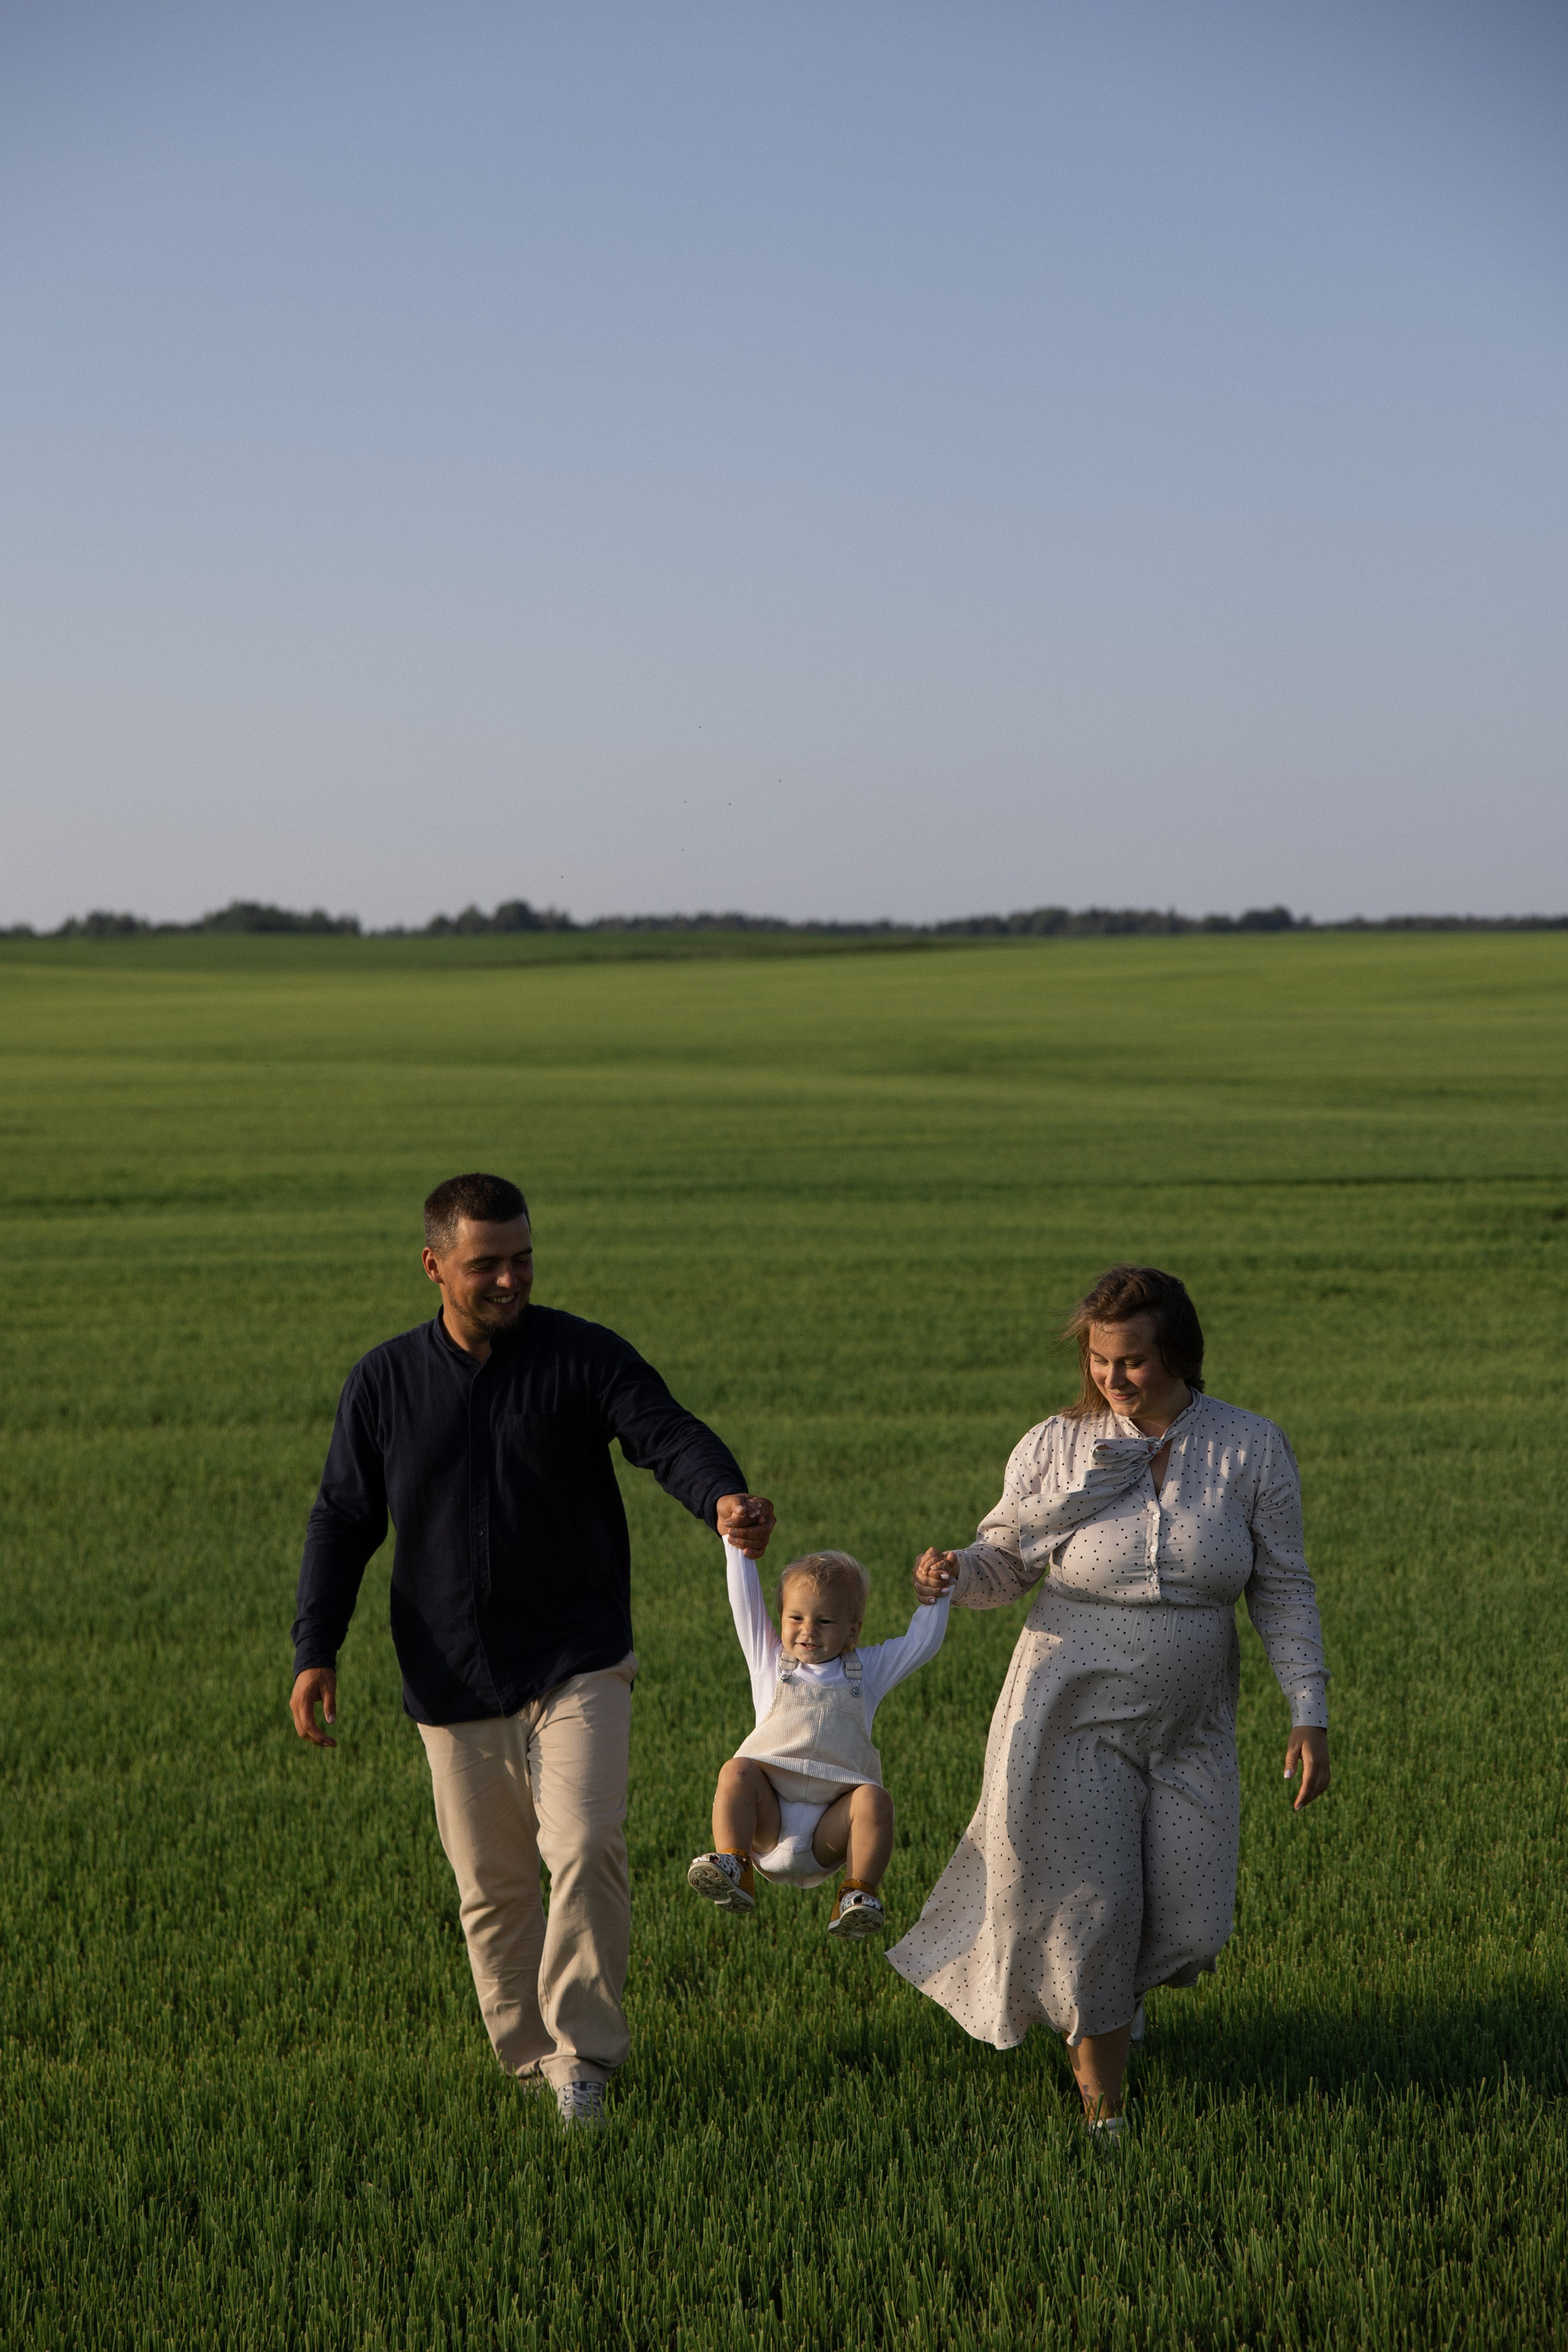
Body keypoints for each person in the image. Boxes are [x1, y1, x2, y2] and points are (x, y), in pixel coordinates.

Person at [288, 1172, 775, 2130]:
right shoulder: (385, 1382)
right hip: (449, 1671)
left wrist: (721, 1497)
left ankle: (584, 2058)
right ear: (434, 1267)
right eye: (486, 1265)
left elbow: (666, 1435)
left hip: (578, 1654)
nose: (510, 1279)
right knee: (493, 1888)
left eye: (522, 1258)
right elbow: (344, 1519)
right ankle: (529, 2061)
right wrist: (318, 1646)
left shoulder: (580, 1355)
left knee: (586, 1843)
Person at [886, 1264, 1330, 2137]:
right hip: (1069, 1714)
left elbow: (1284, 1587)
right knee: (1094, 1914)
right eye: (1099, 1361)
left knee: (1196, 1927)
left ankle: (1100, 2005)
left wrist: (1307, 1708)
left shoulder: (1248, 1447)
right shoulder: (1053, 1445)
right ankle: (1105, 2110)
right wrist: (949, 1577)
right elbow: (1004, 1563)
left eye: (1132, 1362)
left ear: (1179, 1354)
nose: (1113, 1380)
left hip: (1192, 1724)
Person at [687, 1540, 949, 1938]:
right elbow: (744, 1603)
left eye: (825, 1621)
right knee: (737, 1771)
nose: (808, 1630)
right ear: (781, 1618)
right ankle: (734, 1864)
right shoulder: (770, 1663)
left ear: (852, 1630)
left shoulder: (867, 1671)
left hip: (830, 1831)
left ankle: (856, 1893)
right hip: (767, 1820)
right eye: (796, 1618)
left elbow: (920, 1645)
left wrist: (938, 1594)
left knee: (875, 1799)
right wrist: (734, 1542)